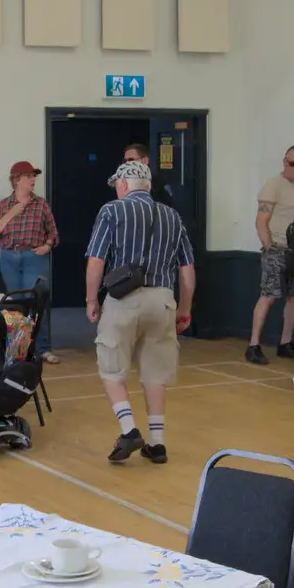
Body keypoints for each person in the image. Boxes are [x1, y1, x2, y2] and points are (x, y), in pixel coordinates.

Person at [85, 161, 196, 465]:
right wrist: (184, 309)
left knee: (111, 369)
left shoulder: (112, 210)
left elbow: (96, 260)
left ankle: (129, 429)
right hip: (162, 300)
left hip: (124, 300)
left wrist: (91, 299)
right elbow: (187, 270)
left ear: (123, 186)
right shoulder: (173, 216)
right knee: (155, 374)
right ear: (147, 186)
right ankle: (157, 444)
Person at [0, 161, 60, 363]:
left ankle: (43, 348)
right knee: (16, 304)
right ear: (17, 180)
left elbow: (53, 232)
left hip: (34, 257)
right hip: (9, 257)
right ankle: (20, 351)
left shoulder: (41, 204)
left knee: (38, 301)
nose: (33, 181)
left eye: (34, 176)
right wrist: (14, 212)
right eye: (29, 177)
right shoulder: (3, 206)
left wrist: (47, 245)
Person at [246, 145, 294, 365]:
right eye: (291, 163)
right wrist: (269, 246)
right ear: (284, 162)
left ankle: (285, 342)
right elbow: (261, 220)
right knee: (269, 295)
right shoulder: (273, 185)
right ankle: (253, 344)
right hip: (277, 248)